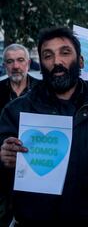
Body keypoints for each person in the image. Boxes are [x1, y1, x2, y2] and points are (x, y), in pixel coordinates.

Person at [0, 27, 88, 226]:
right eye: (48, 55)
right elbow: (6, 176)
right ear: (41, 64)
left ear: (80, 61)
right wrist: (4, 157)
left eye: (65, 52)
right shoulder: (17, 110)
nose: (57, 62)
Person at [0, 44, 40, 227]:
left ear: (28, 63)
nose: (15, 66)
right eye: (10, 61)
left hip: (37, 175)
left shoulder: (44, 91)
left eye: (20, 60)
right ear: (4, 65)